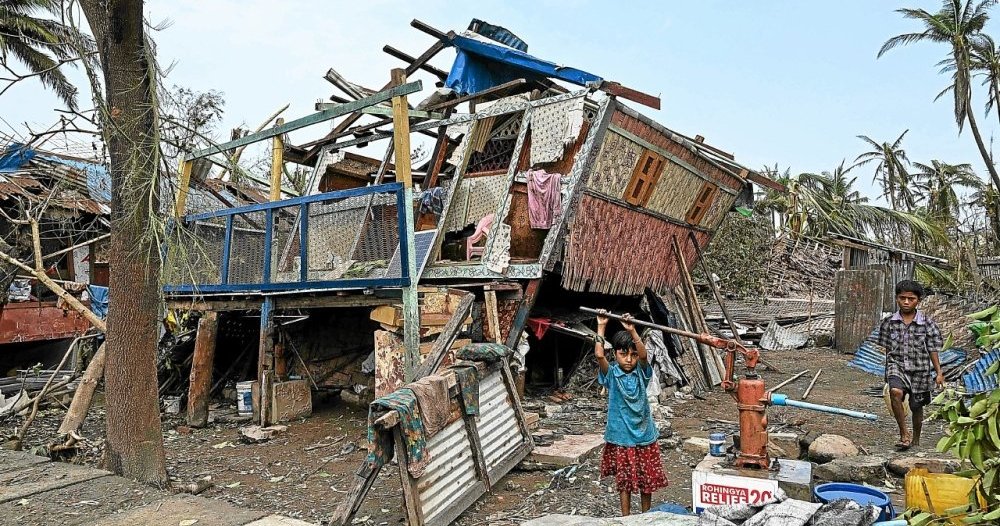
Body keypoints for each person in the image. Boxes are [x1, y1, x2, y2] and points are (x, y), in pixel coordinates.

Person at [594, 309, 668, 515]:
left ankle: (645, 517)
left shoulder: (641, 372)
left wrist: (633, 331)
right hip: (621, 436)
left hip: (644, 434)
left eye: (632, 355)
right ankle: (625, 519)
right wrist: (601, 325)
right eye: (623, 354)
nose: (629, 359)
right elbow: (599, 354)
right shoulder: (611, 374)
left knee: (646, 480)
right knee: (624, 482)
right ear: (615, 354)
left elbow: (644, 355)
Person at [878, 280, 944, 451]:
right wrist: (887, 371)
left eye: (911, 299)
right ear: (897, 298)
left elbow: (932, 349)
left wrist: (939, 372)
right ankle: (903, 434)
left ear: (918, 301)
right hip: (897, 365)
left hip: (920, 370)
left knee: (916, 406)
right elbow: (888, 349)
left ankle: (916, 438)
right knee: (895, 392)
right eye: (902, 298)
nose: (906, 302)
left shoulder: (927, 323)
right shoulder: (888, 323)